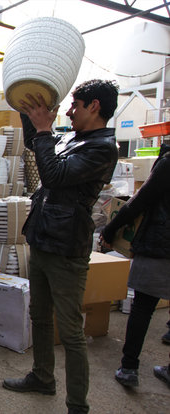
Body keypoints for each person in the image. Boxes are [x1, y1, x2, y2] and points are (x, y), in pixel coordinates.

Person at [2, 79, 119, 414]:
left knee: (70, 330)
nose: (69, 111)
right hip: (42, 237)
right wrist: (28, 112)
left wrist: (43, 130)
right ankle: (42, 377)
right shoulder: (74, 138)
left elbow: (52, 176)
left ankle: (77, 404)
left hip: (67, 248)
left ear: (94, 106)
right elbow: (37, 146)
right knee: (39, 315)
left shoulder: (102, 148)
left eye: (76, 105)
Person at [100, 143, 170, 387]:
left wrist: (111, 229)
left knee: (143, 307)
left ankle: (129, 368)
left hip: (159, 246)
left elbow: (141, 201)